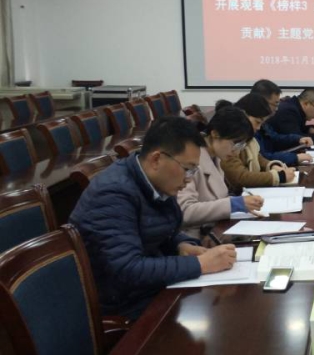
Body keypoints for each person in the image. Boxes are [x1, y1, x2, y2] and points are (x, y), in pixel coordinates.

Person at [70, 116, 237, 320]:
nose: (189, 179)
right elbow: (128, 269)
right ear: (157, 159)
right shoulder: (113, 195)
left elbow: (162, 230)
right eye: (187, 169)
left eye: (194, 170)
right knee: (219, 315)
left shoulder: (156, 180)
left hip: (150, 289)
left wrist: (180, 245)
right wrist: (201, 264)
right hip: (124, 304)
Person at [177, 106, 265, 239]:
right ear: (215, 134)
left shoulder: (216, 157)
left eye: (241, 146)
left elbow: (217, 198)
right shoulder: (190, 159)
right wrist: (233, 204)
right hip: (195, 239)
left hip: (216, 231)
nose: (236, 152)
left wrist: (239, 203)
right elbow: (185, 211)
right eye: (235, 144)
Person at [219, 94, 297, 188]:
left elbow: (258, 157)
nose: (259, 128)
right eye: (257, 122)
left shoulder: (248, 138)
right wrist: (279, 177)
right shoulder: (229, 138)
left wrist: (272, 166)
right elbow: (240, 177)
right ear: (243, 115)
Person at [250, 79, 314, 165]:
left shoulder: (262, 120)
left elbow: (275, 138)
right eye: (275, 104)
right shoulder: (250, 124)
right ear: (262, 102)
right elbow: (264, 157)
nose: (277, 109)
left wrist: (298, 139)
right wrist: (295, 158)